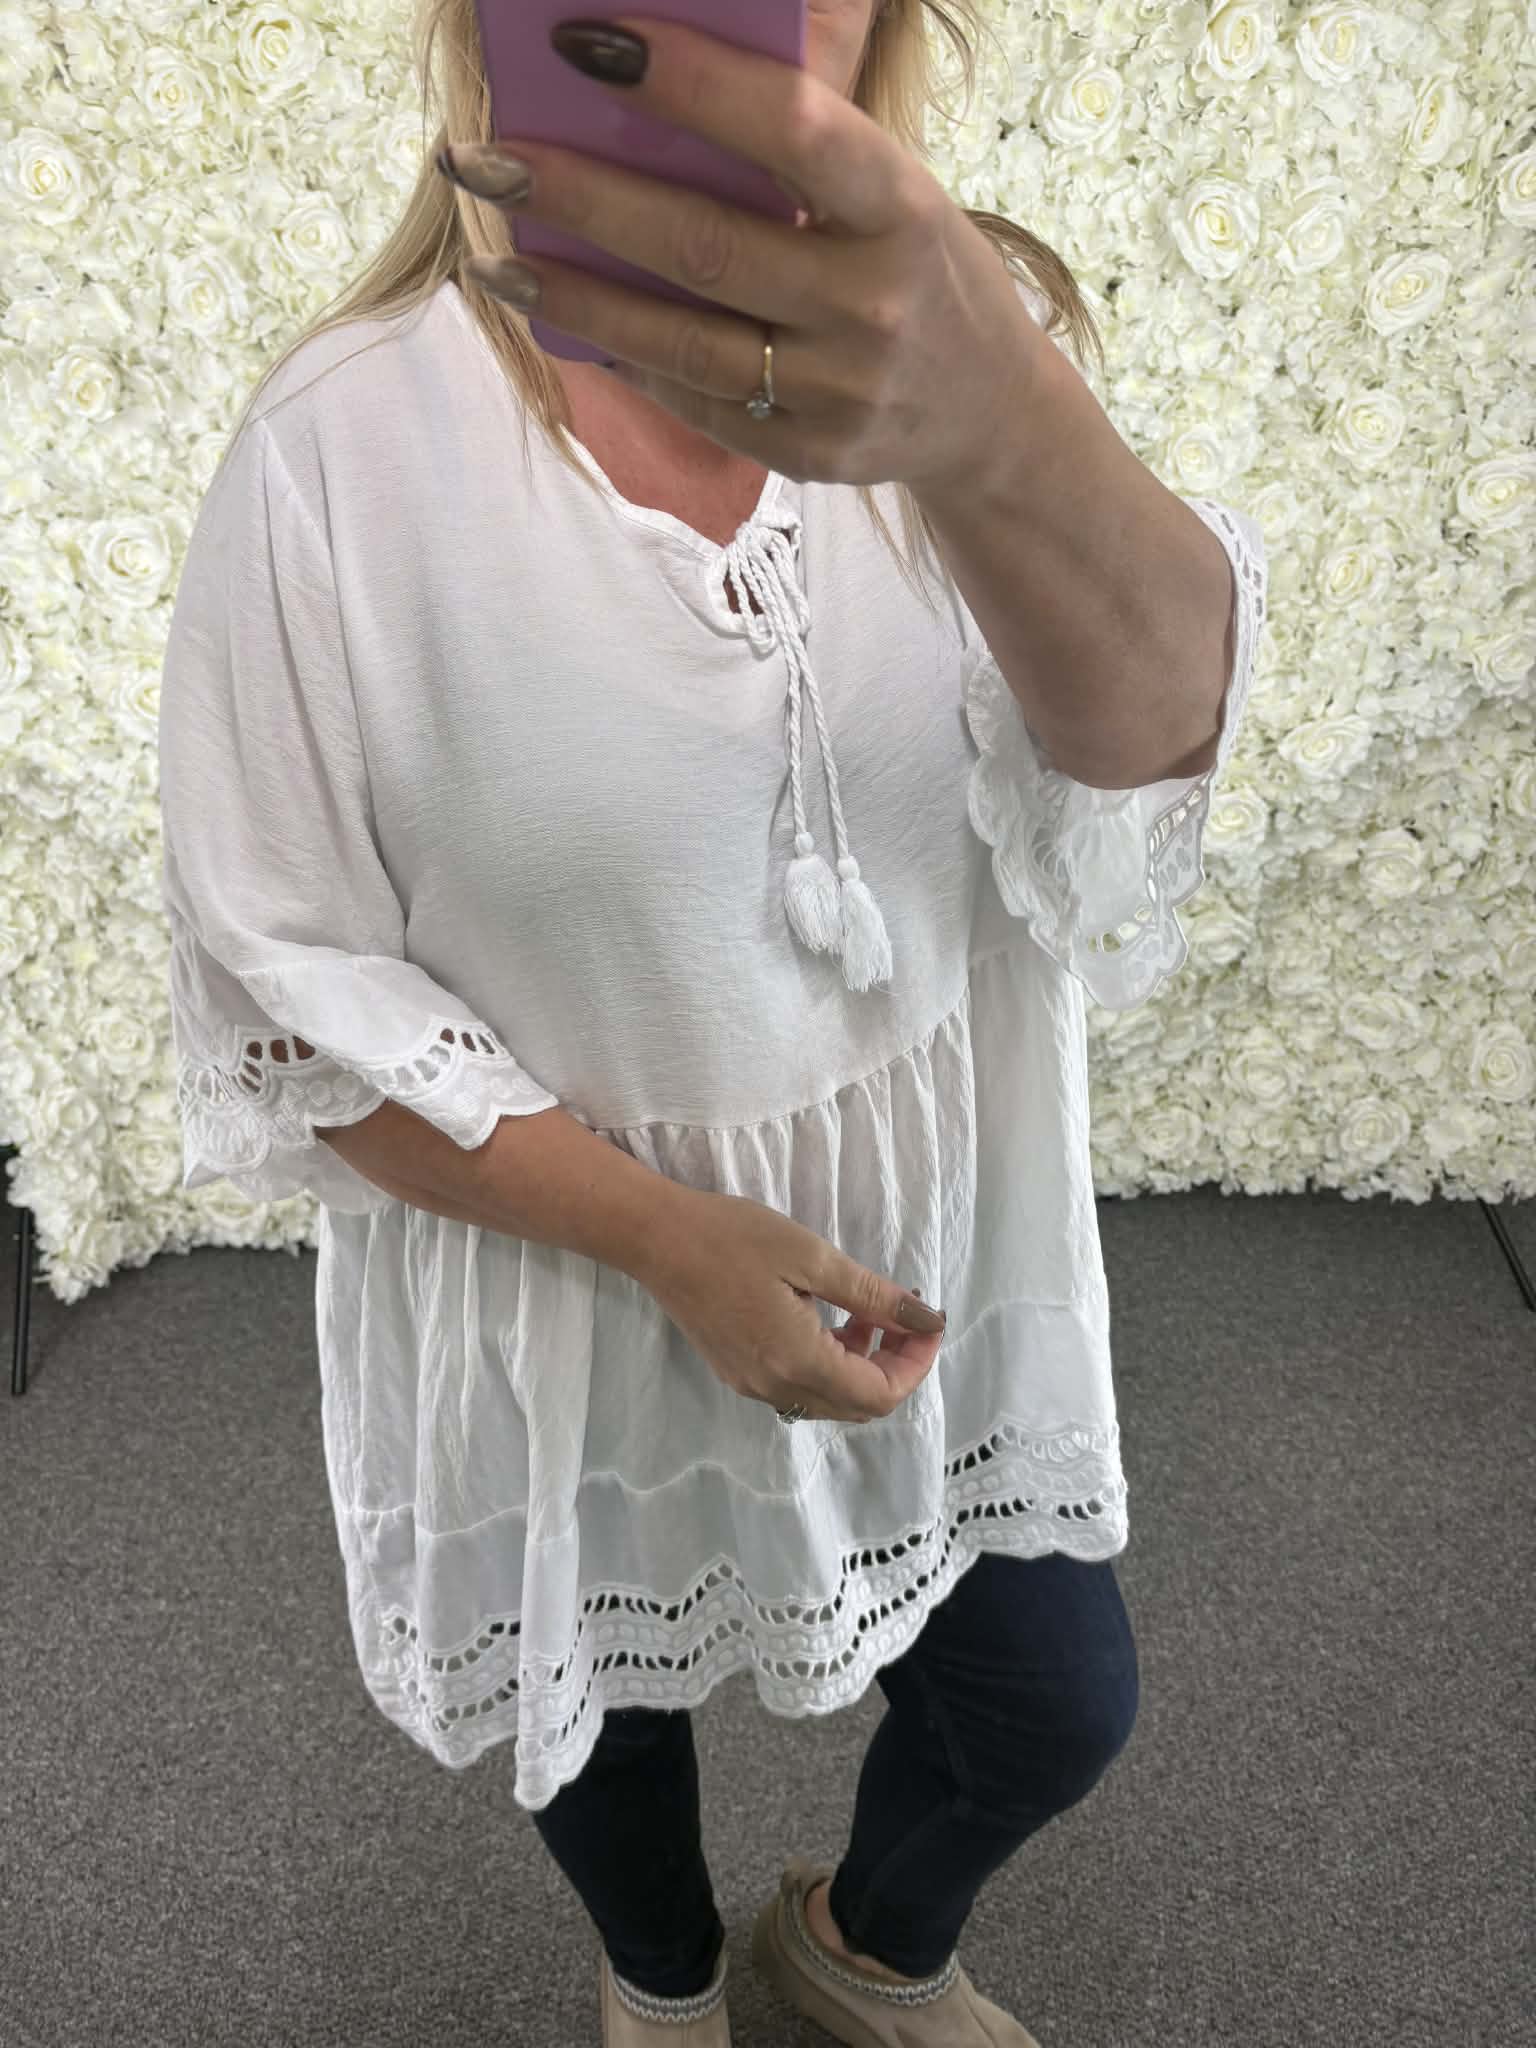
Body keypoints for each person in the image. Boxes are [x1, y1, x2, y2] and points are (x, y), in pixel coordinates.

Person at [157, 2, 1267, 2042]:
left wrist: (1000, 415)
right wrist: (671, 1241)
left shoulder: (980, 352)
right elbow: (286, 1008)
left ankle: (860, 1946)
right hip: (561, 1272)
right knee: (599, 1724)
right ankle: (661, 1983)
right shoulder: (338, 452)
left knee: (1051, 1702)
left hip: (930, 1260)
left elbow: (1145, 762)